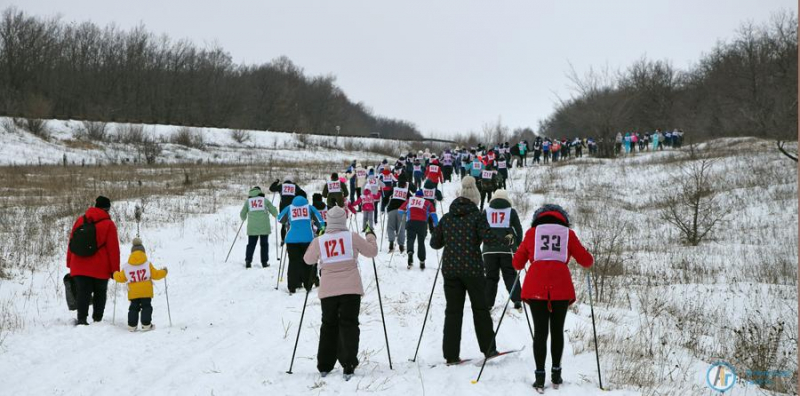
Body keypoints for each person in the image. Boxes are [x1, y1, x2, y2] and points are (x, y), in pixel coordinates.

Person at [512, 204, 594, 392]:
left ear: (538, 218)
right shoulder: (568, 234)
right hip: (560, 287)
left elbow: (517, 263)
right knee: (557, 331)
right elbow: (586, 261)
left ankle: (539, 378)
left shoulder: (532, 233)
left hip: (536, 287)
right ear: (562, 218)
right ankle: (556, 376)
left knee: (540, 332)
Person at [303, 206, 379, 380]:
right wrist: (370, 236)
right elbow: (372, 251)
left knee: (328, 325)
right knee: (349, 324)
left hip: (328, 290)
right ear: (344, 220)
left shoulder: (321, 240)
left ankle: (325, 365)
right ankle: (348, 363)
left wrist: (316, 239)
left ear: (328, 221)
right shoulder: (351, 237)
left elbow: (308, 260)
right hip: (351, 289)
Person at [430, 176, 498, 364]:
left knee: (453, 312)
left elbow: (434, 243)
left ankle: (451, 355)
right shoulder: (478, 216)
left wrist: (447, 238)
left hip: (451, 271)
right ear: (475, 199)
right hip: (473, 270)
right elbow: (489, 239)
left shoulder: (447, 218)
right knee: (480, 309)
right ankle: (489, 349)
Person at [66, 195, 120, 325]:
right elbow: (113, 249)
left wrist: (69, 263)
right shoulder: (109, 224)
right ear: (107, 209)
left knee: (82, 293)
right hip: (100, 268)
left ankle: (82, 319)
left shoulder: (80, 220)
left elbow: (71, 243)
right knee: (100, 293)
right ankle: (97, 319)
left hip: (79, 265)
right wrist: (114, 270)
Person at [112, 238, 168, 332]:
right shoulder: (147, 264)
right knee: (146, 307)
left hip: (133, 292)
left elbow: (121, 278)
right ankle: (146, 325)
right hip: (146, 291)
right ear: (143, 252)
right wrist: (164, 272)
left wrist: (115, 274)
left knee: (134, 307)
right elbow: (156, 275)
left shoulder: (127, 266)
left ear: (131, 253)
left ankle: (132, 325)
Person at [481, 190, 523, 309]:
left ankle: (488, 303)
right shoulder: (511, 212)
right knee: (510, 274)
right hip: (507, 249)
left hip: (489, 250)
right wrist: (518, 244)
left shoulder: (486, 212)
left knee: (490, 276)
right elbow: (518, 230)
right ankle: (517, 300)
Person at [278, 196, 325, 294]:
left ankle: (292, 286)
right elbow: (320, 221)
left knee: (293, 262)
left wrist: (289, 221)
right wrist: (321, 227)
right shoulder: (309, 208)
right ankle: (307, 285)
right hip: (307, 238)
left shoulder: (289, 207)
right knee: (307, 261)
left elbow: (280, 219)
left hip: (291, 240)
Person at [239, 186, 278, 268]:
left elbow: (242, 214)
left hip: (252, 228)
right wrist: (275, 213)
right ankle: (264, 262)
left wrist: (244, 218)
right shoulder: (265, 200)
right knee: (264, 245)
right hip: (264, 227)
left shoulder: (248, 202)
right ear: (259, 192)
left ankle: (248, 261)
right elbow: (274, 212)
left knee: (251, 244)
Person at [398, 190, 438, 269]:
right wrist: (436, 224)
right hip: (422, 223)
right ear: (423, 196)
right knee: (421, 242)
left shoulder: (410, 200)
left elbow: (400, 211)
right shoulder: (427, 202)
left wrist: (405, 212)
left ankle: (410, 253)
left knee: (410, 239)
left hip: (411, 222)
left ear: (415, 195)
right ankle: (422, 261)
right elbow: (433, 213)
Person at [269, 178, 307, 244]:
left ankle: (282, 240)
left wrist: (276, 182)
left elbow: (271, 189)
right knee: (293, 224)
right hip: (293, 208)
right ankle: (293, 238)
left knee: (283, 225)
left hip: (283, 208)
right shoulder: (294, 186)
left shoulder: (281, 186)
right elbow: (301, 193)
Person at [385, 175, 415, 253]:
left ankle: (391, 243)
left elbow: (386, 197)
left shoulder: (394, 189)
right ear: (405, 183)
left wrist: (384, 206)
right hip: (402, 211)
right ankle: (401, 246)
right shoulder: (406, 191)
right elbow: (411, 200)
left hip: (391, 210)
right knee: (401, 228)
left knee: (390, 227)